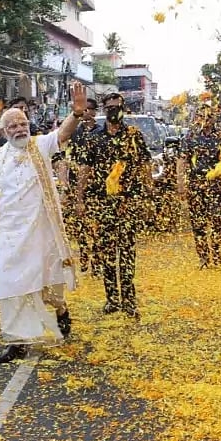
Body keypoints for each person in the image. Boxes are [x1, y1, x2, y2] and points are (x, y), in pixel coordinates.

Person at [0, 83, 91, 364]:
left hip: (41, 233)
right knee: (10, 287)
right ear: (5, 132)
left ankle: (61, 310)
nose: (19, 129)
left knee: (49, 286)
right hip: (8, 235)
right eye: (13, 126)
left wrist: (76, 113)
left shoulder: (40, 146)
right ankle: (17, 340)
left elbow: (62, 134)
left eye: (23, 123)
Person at [85, 93, 153, 317]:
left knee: (126, 252)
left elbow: (145, 167)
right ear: (104, 109)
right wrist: (78, 199)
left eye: (117, 107)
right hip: (103, 203)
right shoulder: (94, 137)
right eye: (109, 107)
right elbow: (85, 170)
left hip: (128, 203)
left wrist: (148, 196)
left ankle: (129, 299)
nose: (113, 110)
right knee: (106, 253)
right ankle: (112, 299)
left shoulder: (134, 136)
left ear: (124, 109)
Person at [180, 107, 221, 268]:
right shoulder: (190, 136)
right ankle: (203, 255)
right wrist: (181, 184)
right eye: (202, 116)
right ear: (196, 117)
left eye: (209, 116)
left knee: (218, 219)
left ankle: (215, 248)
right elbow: (182, 160)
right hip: (196, 185)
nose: (206, 119)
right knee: (198, 222)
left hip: (218, 186)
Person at [58, 98, 104, 272]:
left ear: (95, 112)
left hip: (97, 186)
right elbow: (64, 157)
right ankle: (84, 260)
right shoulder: (74, 133)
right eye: (83, 110)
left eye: (90, 110)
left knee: (98, 226)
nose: (86, 113)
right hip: (76, 184)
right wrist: (66, 187)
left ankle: (98, 262)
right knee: (81, 226)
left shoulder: (101, 132)